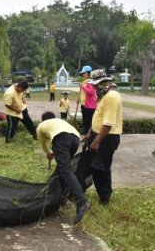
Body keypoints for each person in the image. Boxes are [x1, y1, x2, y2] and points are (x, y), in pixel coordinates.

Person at [37, 111, 91, 224]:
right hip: (75, 139)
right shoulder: (59, 122)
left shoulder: (41, 126)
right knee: (63, 168)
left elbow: (43, 143)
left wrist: (48, 153)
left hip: (62, 139)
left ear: (43, 120)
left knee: (66, 170)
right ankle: (62, 195)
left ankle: (82, 202)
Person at [84, 69, 122, 205]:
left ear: (103, 83)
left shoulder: (111, 97)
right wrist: (89, 133)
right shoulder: (104, 95)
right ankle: (103, 194)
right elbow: (99, 116)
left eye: (95, 84)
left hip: (107, 138)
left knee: (100, 167)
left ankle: (105, 198)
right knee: (96, 166)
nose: (93, 87)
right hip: (99, 135)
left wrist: (97, 141)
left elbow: (108, 123)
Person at [77, 65, 97, 135]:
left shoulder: (91, 82)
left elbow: (91, 92)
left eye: (84, 73)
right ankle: (86, 137)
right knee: (85, 123)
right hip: (84, 105)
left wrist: (82, 86)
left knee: (89, 123)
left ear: (88, 73)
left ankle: (90, 138)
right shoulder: (84, 81)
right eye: (83, 73)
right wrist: (78, 99)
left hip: (90, 106)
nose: (83, 75)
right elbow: (82, 92)